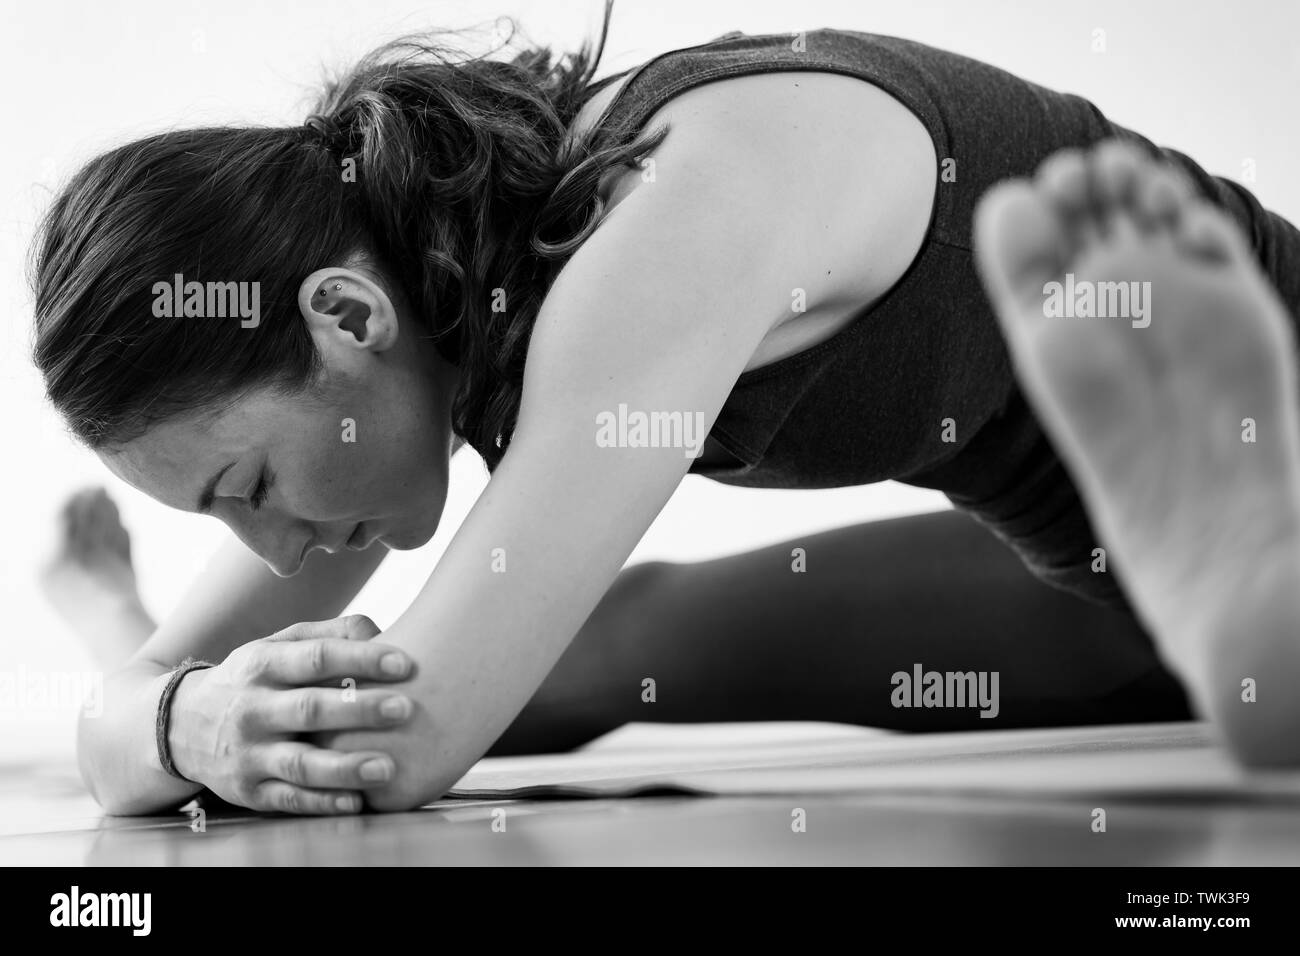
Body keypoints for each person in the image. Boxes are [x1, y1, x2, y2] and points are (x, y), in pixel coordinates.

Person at [31, 5, 1300, 815]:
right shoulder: (424, 298)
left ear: (344, 318)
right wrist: (176, 709)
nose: (274, 547)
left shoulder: (659, 226)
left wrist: (178, 722)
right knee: (601, 639)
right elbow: (132, 721)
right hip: (1089, 567)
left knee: (503, 662)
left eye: (249, 489)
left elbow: (397, 742)